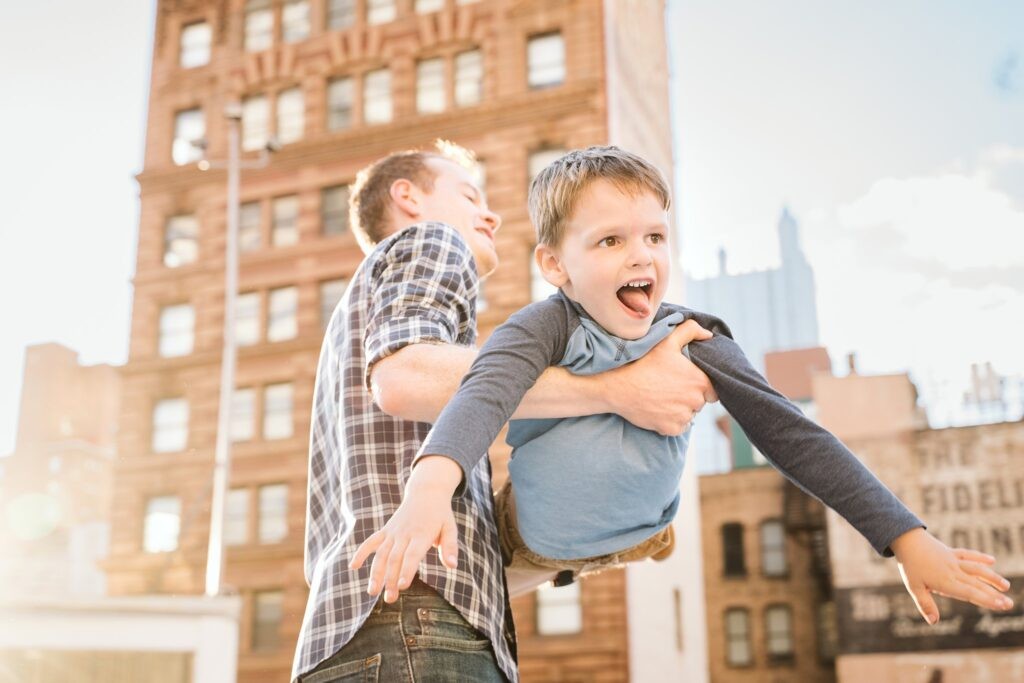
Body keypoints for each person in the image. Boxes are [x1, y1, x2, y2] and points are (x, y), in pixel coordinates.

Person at [352, 145, 1014, 629]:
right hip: (529, 541)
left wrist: (905, 535)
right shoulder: (543, 326)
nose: (641, 256)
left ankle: (638, 536)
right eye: (610, 240)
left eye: (655, 237)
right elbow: (484, 394)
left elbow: (789, 431)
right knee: (444, 582)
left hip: (640, 526)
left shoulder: (695, 338)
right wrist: (427, 489)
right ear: (556, 264)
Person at [291, 141, 718, 683]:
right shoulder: (431, 240)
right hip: (418, 634)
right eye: (469, 195)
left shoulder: (352, 326)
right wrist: (616, 390)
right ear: (408, 198)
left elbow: (437, 553)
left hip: (351, 640)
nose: (489, 213)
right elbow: (403, 377)